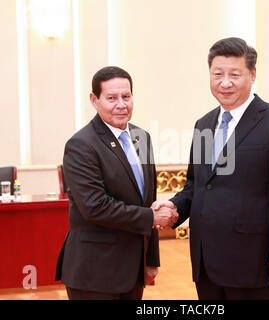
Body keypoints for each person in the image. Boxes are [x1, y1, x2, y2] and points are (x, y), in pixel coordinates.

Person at [153, 37, 269, 300]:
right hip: (206, 264)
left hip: (254, 264)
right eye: (218, 74)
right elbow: (197, 184)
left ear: (252, 74)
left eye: (235, 74)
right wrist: (174, 207)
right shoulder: (204, 124)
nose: (225, 82)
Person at [55, 66, 177, 300]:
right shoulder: (81, 145)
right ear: (95, 100)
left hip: (132, 271)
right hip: (94, 272)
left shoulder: (142, 137)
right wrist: (151, 218)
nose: (121, 104)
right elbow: (95, 206)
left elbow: (148, 201)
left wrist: (150, 261)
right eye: (111, 98)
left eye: (126, 96)